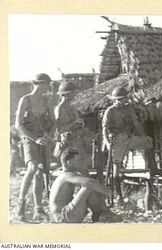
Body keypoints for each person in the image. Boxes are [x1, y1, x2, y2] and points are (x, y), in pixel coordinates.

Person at [102, 86, 162, 203]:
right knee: (116, 169)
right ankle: (118, 195)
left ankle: (154, 169)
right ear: (116, 100)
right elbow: (104, 129)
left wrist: (143, 136)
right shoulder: (110, 111)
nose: (124, 101)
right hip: (117, 140)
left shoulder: (128, 108)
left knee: (148, 141)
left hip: (128, 138)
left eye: (124, 98)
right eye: (121, 99)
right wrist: (107, 143)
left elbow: (136, 123)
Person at [15, 73, 55, 221]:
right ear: (37, 84)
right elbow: (18, 124)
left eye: (48, 84)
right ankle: (21, 204)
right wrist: (35, 138)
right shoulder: (25, 100)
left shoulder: (47, 101)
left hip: (42, 139)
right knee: (33, 169)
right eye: (44, 84)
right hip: (29, 138)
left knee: (40, 173)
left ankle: (38, 209)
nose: (47, 87)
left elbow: (53, 121)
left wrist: (48, 135)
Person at [49, 147, 113, 223]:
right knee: (89, 188)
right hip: (63, 217)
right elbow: (89, 183)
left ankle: (100, 214)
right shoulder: (66, 175)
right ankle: (100, 215)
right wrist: (106, 192)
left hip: (63, 215)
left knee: (90, 187)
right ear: (69, 162)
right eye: (77, 161)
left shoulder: (64, 175)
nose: (80, 163)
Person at [54, 81, 90, 176]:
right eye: (73, 92)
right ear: (66, 94)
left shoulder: (73, 107)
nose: (75, 95)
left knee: (83, 171)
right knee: (70, 172)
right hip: (68, 144)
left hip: (78, 142)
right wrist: (74, 121)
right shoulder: (60, 108)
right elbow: (60, 129)